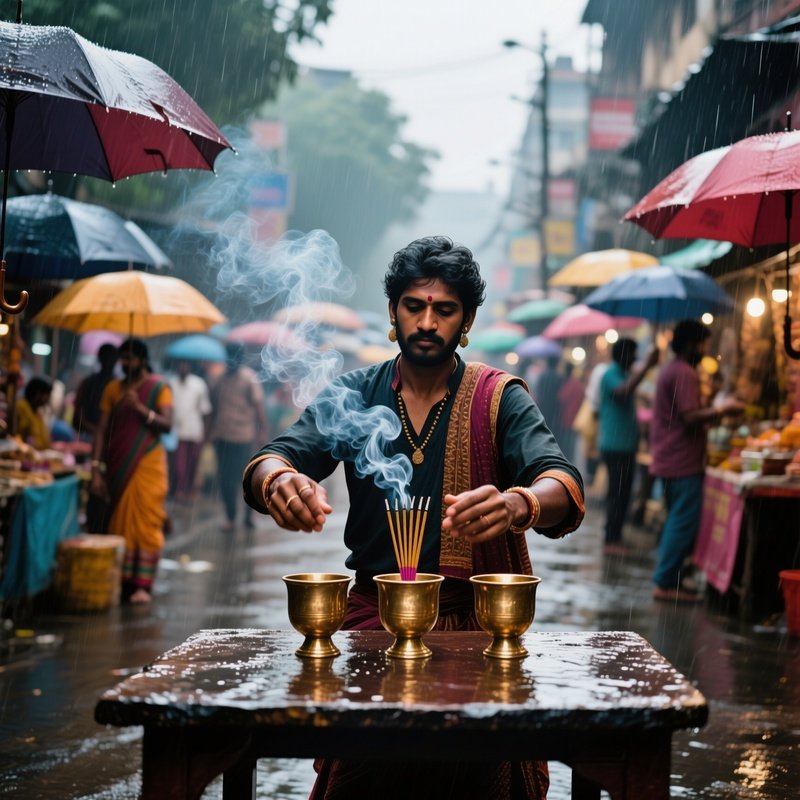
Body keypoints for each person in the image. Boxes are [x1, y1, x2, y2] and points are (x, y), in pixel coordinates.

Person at [242, 236, 585, 800]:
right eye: (414, 306)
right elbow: (275, 455)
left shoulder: (499, 399)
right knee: (360, 777)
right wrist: (279, 481)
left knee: (479, 777)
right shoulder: (355, 393)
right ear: (393, 312)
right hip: (371, 624)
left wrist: (519, 502)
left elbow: (561, 481)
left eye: (444, 309)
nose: (427, 322)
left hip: (475, 630)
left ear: (466, 320)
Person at [650, 320, 744, 603]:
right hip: (681, 460)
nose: (706, 350)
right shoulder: (683, 372)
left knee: (676, 521)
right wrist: (722, 409)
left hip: (670, 458)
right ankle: (665, 582)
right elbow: (689, 417)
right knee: (682, 523)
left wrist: (712, 402)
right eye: (704, 343)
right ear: (693, 343)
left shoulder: (673, 370)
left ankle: (670, 578)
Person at [90, 339, 173, 604]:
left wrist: (140, 409)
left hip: (147, 462)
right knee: (119, 522)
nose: (125, 363)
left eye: (130, 359)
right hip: (118, 463)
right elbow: (102, 429)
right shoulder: (113, 388)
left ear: (142, 359)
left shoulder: (159, 387)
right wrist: (95, 469)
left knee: (146, 522)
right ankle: (123, 580)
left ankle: (142, 584)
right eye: (122, 359)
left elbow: (168, 424)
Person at [597, 338, 659, 555]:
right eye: (632, 354)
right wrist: (649, 366)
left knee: (622, 494)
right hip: (616, 447)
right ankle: (611, 540)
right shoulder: (611, 374)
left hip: (624, 446)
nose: (634, 359)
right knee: (618, 494)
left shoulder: (622, 374)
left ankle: (615, 536)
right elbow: (623, 391)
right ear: (623, 355)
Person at [209, 342, 267, 532]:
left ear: (240, 359)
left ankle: (249, 516)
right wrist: (209, 432)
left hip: (244, 436)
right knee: (225, 479)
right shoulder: (218, 380)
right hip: (222, 436)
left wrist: (262, 431)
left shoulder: (249, 378)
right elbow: (213, 407)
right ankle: (231, 517)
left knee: (247, 478)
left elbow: (258, 407)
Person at [168, 359, 212, 503]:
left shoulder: (198, 384)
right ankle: (180, 491)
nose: (182, 367)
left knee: (192, 464)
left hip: (195, 431)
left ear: (189, 367)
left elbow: (205, 410)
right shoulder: (171, 384)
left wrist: (205, 433)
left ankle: (188, 492)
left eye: (185, 365)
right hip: (177, 432)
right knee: (179, 465)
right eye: (180, 364)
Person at [72, 343, 118, 442]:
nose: (108, 361)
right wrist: (93, 429)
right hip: (87, 434)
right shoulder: (89, 383)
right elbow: (78, 408)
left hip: (107, 437)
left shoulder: (118, 386)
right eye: (106, 357)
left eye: (111, 358)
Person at [17, 376, 52, 449]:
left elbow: (45, 442)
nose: (47, 398)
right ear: (37, 393)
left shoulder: (37, 413)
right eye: (46, 394)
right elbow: (20, 437)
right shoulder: (22, 407)